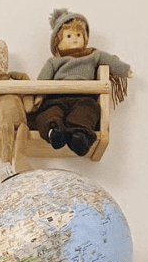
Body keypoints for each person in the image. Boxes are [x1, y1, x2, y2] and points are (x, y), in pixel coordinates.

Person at [30, 8, 131, 157]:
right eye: (69, 36)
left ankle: (79, 136)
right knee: (49, 113)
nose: (75, 39)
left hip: (83, 98)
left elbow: (110, 61)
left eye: (78, 35)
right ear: (58, 43)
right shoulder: (54, 61)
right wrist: (39, 96)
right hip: (56, 98)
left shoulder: (93, 55)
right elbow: (43, 80)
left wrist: (125, 70)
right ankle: (54, 132)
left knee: (87, 111)